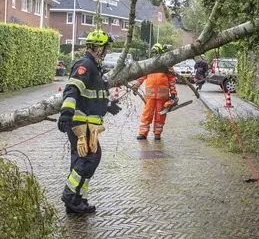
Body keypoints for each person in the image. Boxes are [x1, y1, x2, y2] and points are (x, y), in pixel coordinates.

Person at [57, 29, 122, 214]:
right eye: (105, 47)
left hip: (88, 124)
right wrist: (66, 113)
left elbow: (93, 96)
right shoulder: (85, 65)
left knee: (82, 159)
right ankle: (70, 195)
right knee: (90, 158)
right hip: (80, 123)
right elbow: (72, 89)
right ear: (97, 47)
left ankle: (77, 201)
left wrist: (108, 105)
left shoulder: (95, 66)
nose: (106, 51)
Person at [132, 43, 178, 141]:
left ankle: (157, 133)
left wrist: (173, 93)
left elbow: (172, 80)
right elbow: (142, 76)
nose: (155, 55)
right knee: (147, 114)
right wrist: (136, 85)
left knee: (160, 115)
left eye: (156, 53)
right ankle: (143, 133)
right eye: (154, 53)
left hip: (162, 97)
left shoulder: (167, 65)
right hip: (150, 97)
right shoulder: (149, 65)